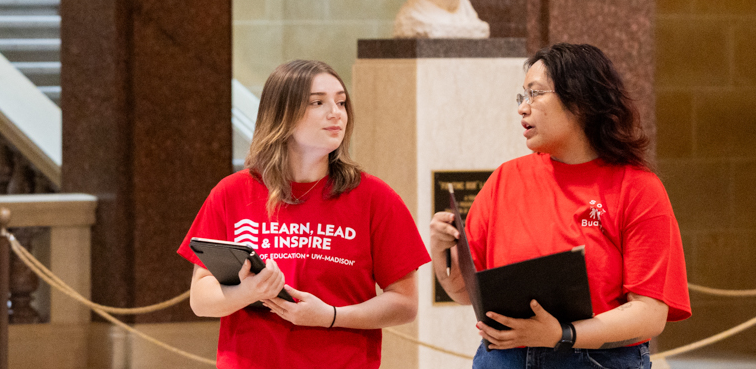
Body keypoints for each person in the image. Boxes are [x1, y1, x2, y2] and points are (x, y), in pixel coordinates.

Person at [429, 43, 691, 369]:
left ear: (580, 100)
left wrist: (563, 334)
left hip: (596, 359)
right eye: (521, 97)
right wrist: (443, 257)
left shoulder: (637, 187)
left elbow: (650, 314)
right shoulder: (505, 179)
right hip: (505, 358)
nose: (523, 109)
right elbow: (468, 295)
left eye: (535, 94)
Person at [176, 59, 431, 368]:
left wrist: (331, 317)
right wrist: (247, 291)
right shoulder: (233, 192)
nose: (336, 112)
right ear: (282, 113)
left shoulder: (375, 198)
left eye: (340, 102)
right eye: (317, 102)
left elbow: (405, 304)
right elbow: (201, 300)